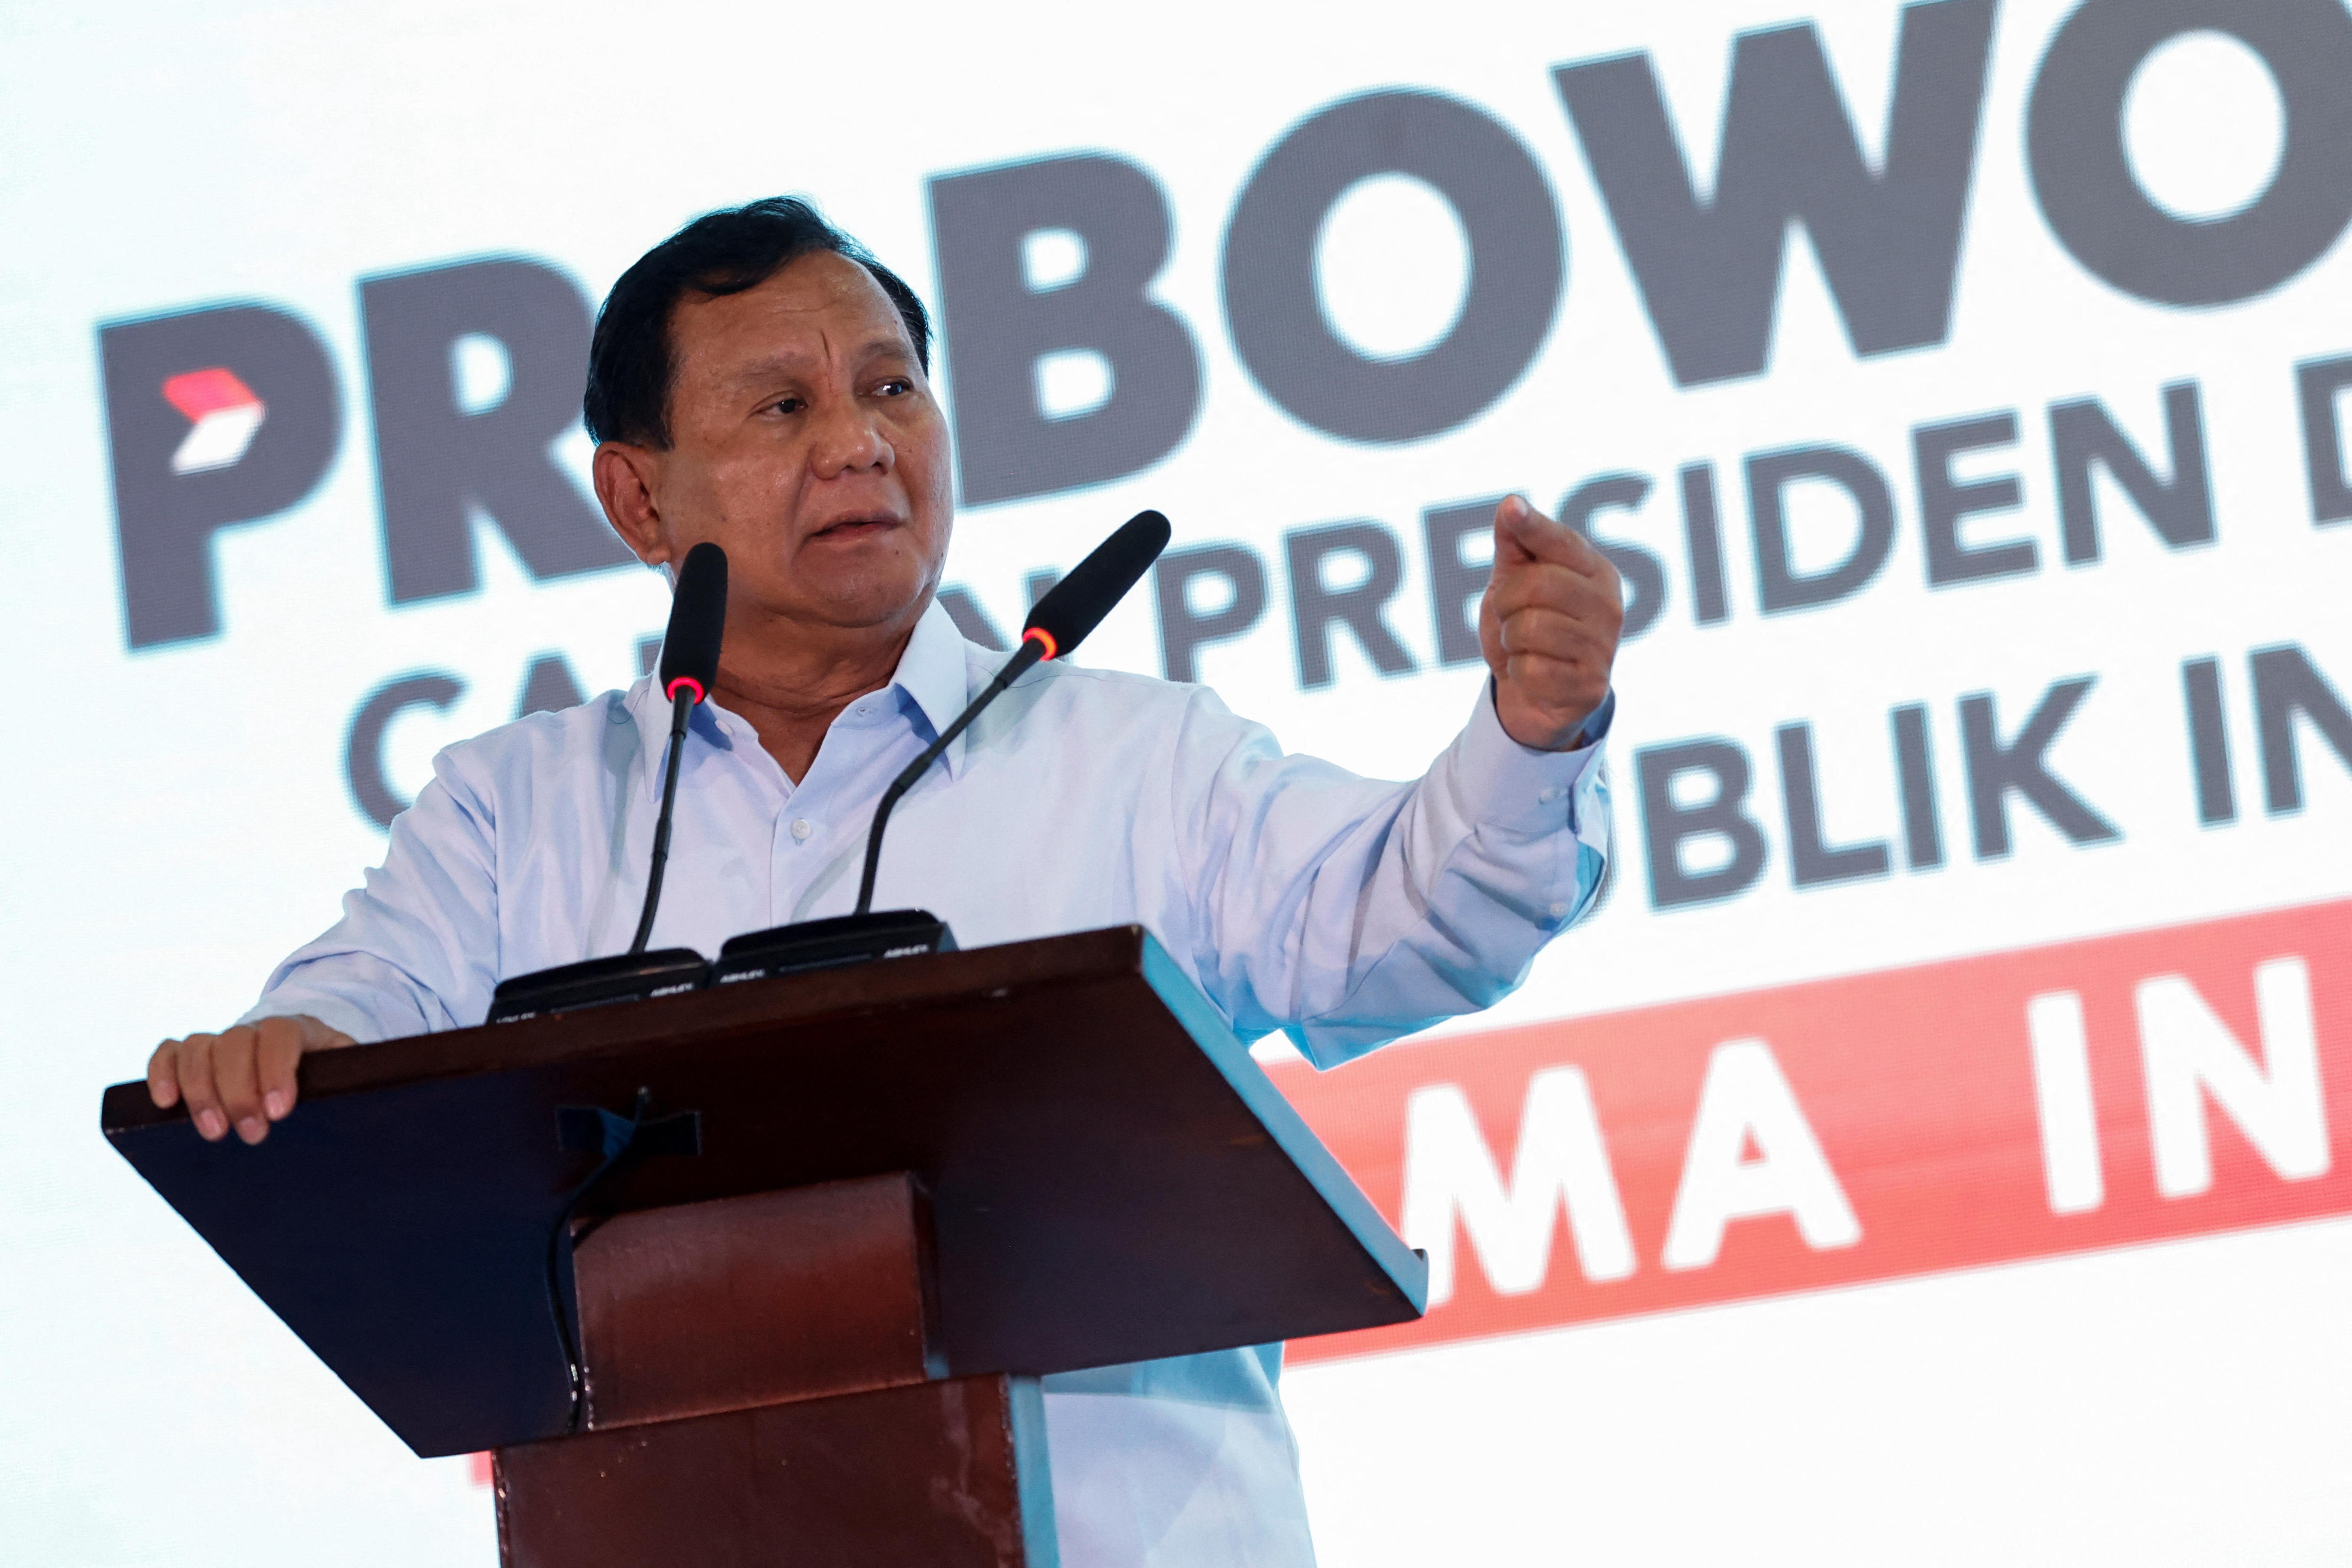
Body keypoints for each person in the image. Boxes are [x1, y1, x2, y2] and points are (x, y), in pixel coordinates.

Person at [144, 197, 1623, 1566]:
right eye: (783, 404)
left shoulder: (1133, 760)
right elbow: (366, 1007)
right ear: (637, 501)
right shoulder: (518, 808)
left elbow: (1408, 923)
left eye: (891, 387)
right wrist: (295, 1054)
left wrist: (1530, 734)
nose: (859, 441)